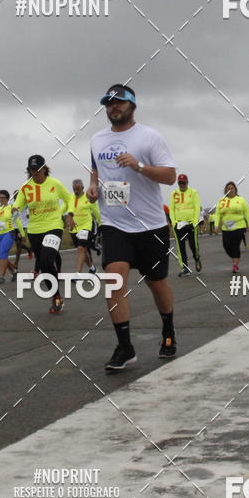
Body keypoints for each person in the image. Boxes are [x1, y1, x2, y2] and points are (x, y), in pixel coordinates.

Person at [87, 83, 177, 371]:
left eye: (119, 102)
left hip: (149, 224)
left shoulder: (150, 137)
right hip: (115, 223)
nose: (113, 107)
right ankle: (125, 347)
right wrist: (92, 186)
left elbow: (170, 176)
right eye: (108, 103)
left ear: (132, 105)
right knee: (114, 281)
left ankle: (168, 331)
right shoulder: (97, 140)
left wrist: (139, 167)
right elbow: (96, 170)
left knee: (157, 283)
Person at [13, 156, 72, 313]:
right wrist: (15, 209)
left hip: (54, 226)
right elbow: (18, 203)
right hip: (34, 230)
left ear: (45, 168)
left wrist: (67, 213)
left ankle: (56, 289)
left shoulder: (55, 184)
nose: (36, 172)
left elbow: (69, 199)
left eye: (38, 169)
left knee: (46, 262)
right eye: (32, 170)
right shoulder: (26, 187)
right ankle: (56, 296)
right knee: (45, 266)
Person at [0, 190, 25, 284]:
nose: (1, 199)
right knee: (1, 256)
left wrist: (23, 234)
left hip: (9, 233)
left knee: (3, 253)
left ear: (7, 198)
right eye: (0, 197)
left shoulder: (11, 208)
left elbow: (18, 222)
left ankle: (1, 276)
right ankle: (14, 272)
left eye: (3, 197)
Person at [214, 182, 249, 273]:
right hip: (226, 227)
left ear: (235, 189)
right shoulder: (221, 201)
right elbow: (217, 214)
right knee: (226, 245)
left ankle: (235, 265)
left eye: (232, 188)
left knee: (235, 245)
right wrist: (216, 226)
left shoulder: (241, 200)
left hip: (239, 226)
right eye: (228, 188)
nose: (230, 190)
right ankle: (235, 257)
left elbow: (247, 213)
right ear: (226, 190)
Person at [169, 173, 201, 276]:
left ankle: (197, 258)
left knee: (193, 245)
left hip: (191, 224)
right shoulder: (173, 193)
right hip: (179, 225)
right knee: (180, 247)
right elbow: (171, 210)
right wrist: (174, 223)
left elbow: (197, 208)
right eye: (180, 183)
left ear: (187, 182)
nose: (182, 184)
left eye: (183, 182)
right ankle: (184, 267)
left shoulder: (194, 192)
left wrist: (194, 223)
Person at [66, 178, 101, 276]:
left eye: (78, 189)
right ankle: (92, 268)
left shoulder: (88, 198)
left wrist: (101, 224)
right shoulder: (71, 197)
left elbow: (96, 212)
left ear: (83, 188)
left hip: (85, 227)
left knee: (81, 249)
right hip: (73, 229)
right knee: (83, 251)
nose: (76, 191)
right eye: (74, 189)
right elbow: (68, 209)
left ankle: (77, 274)